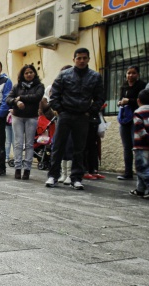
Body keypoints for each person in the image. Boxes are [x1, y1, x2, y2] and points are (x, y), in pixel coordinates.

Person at [45, 48, 105, 190]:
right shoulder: (64, 75)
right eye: (79, 58)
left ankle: (76, 178)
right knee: (58, 146)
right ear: (74, 60)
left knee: (79, 148)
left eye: (84, 58)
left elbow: (100, 97)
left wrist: (90, 111)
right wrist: (60, 110)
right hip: (65, 115)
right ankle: (53, 176)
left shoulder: (95, 77)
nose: (82, 60)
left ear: (89, 59)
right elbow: (54, 96)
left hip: (83, 116)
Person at [6, 64, 44, 180]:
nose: (28, 74)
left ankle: (27, 169)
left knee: (29, 144)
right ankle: (18, 168)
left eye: (30, 72)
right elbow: (8, 99)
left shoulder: (39, 86)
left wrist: (21, 98)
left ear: (34, 74)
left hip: (31, 117)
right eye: (26, 73)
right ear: (22, 75)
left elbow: (37, 97)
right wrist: (16, 102)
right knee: (18, 143)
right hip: (18, 117)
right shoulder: (17, 86)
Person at [116, 66, 147, 180]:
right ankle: (128, 172)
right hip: (125, 119)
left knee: (137, 146)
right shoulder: (124, 86)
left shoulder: (142, 86)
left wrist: (129, 101)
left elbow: (143, 102)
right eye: (128, 73)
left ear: (138, 74)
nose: (130, 75)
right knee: (126, 147)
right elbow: (120, 99)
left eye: (133, 73)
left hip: (136, 118)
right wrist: (120, 102)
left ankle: (141, 172)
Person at [129, 89, 149, 198]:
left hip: (142, 145)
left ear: (138, 101)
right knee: (147, 167)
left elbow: (140, 130)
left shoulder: (138, 113)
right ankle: (140, 189)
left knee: (141, 168)